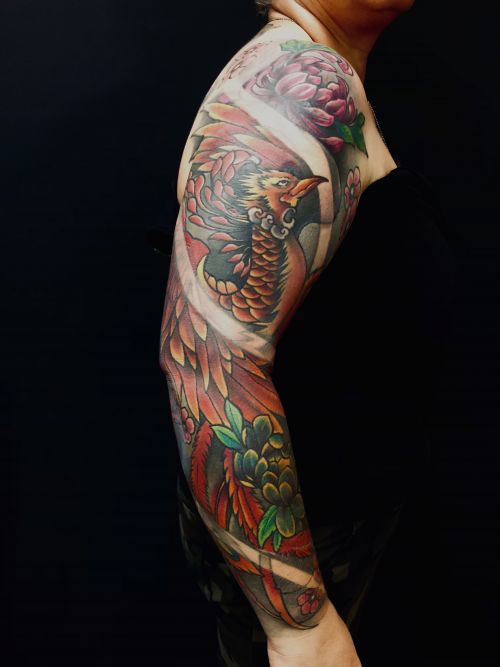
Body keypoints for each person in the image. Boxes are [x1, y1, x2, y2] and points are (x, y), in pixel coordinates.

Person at [158, 1, 455, 665]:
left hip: (351, 544)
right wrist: (302, 627)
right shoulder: (291, 91)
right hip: (308, 570)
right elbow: (210, 364)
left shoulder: (319, 81)